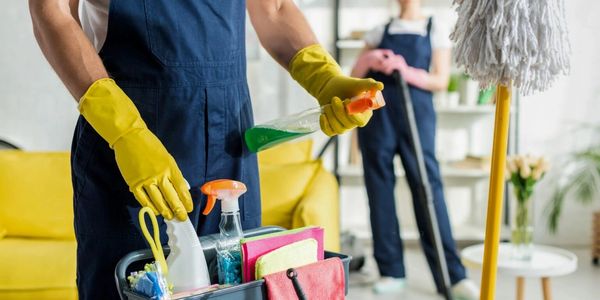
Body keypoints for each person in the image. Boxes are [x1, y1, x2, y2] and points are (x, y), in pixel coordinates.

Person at [29, 0, 382, 298]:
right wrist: (126, 132)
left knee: (236, 287)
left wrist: (324, 77)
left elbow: (272, 9)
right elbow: (52, 13)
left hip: (228, 147)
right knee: (129, 287)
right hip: (128, 151)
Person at [351, 0, 479, 298]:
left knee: (427, 188)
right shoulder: (377, 32)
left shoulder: (435, 28)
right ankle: (391, 270)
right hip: (378, 119)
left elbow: (440, 80)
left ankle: (453, 276)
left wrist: (404, 70)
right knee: (379, 190)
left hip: (416, 117)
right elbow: (354, 76)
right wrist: (370, 59)